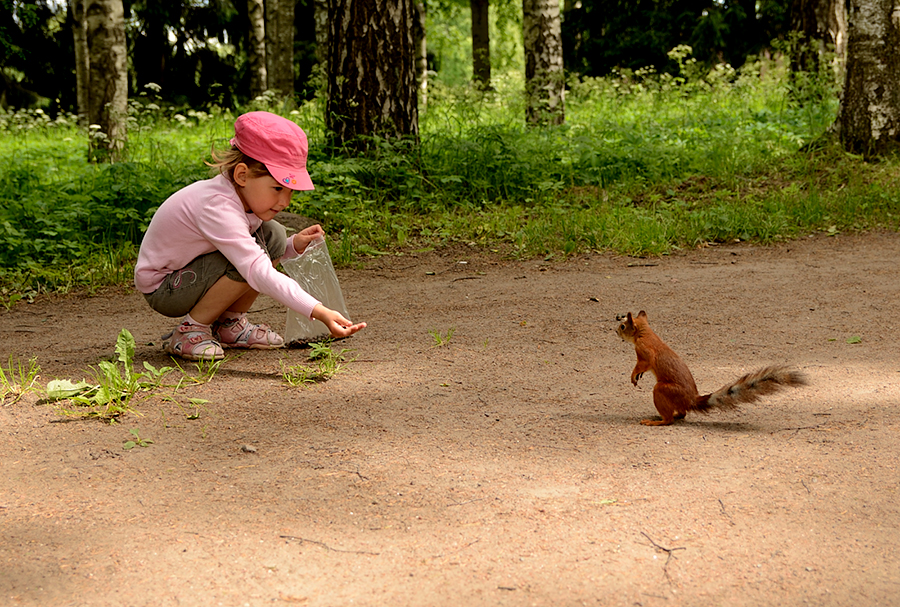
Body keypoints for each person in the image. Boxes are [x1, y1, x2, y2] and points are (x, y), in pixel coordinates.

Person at [134, 111, 366, 361]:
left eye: (290, 191)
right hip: (166, 288)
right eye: (277, 188)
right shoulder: (218, 206)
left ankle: (228, 325)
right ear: (242, 175)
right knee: (247, 262)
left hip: (193, 272)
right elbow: (256, 268)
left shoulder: (243, 198)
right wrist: (317, 310)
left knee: (274, 234)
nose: (285, 201)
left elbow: (262, 252)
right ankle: (191, 331)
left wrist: (291, 246)